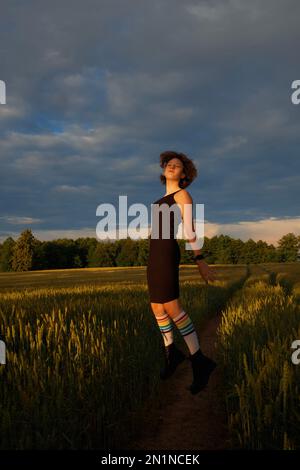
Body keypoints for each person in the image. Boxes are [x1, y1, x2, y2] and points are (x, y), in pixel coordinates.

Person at [146, 150, 217, 394]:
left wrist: (200, 260)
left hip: (167, 254)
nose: (171, 167)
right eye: (169, 164)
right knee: (157, 307)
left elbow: (189, 229)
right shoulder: (158, 200)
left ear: (184, 175)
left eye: (177, 166)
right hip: (154, 255)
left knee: (172, 307)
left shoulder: (183, 195)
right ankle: (171, 353)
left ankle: (200, 362)